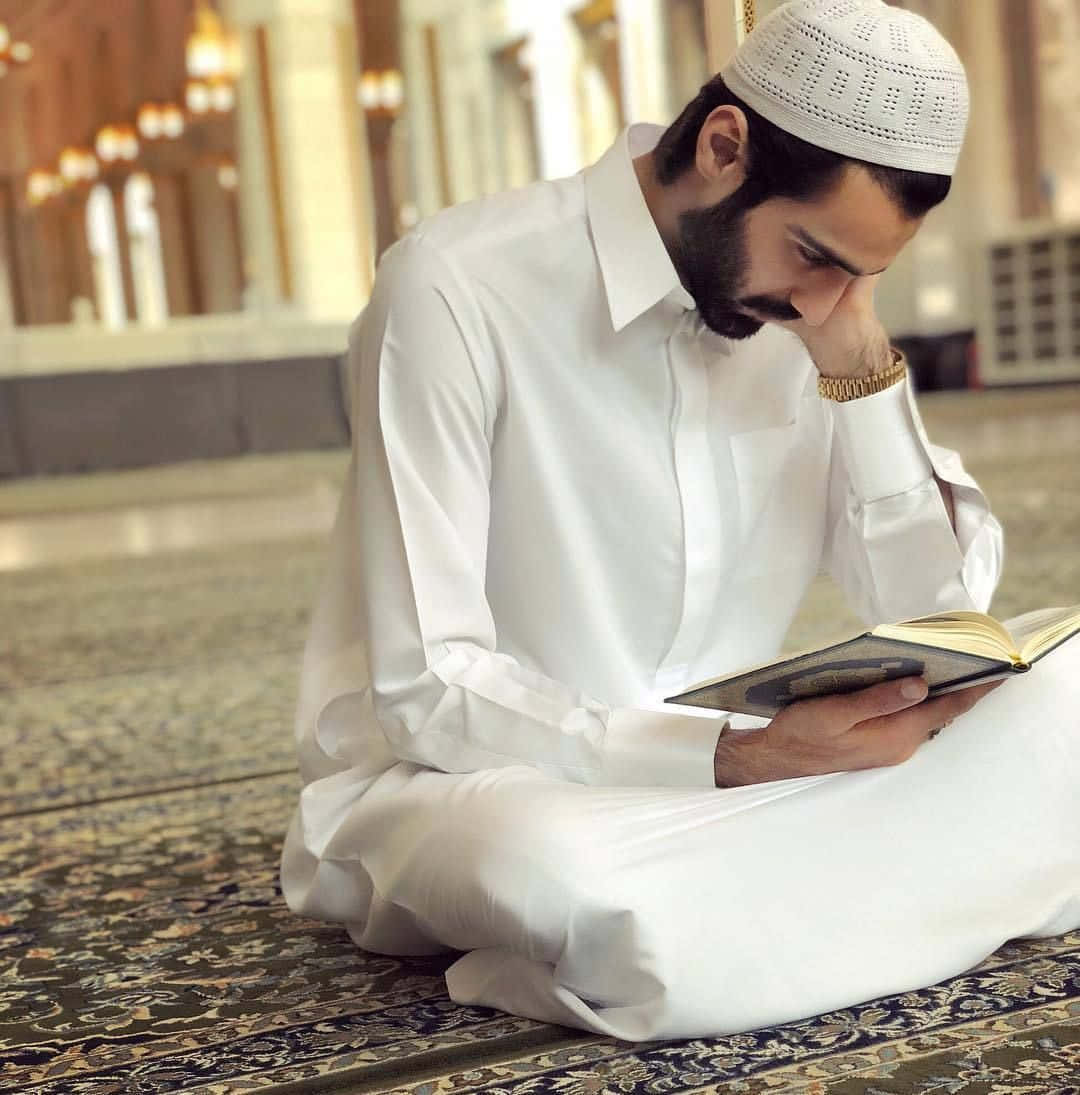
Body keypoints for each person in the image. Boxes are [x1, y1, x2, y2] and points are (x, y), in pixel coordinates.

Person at [281, 0, 1080, 1040]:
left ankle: (728, 936)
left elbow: (936, 622)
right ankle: (881, 889)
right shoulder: (456, 290)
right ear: (723, 145)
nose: (823, 299)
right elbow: (428, 687)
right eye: (813, 253)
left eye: (863, 274)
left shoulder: (817, 322)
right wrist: (738, 761)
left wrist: (864, 379)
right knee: (552, 868)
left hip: (756, 769)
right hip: (493, 778)